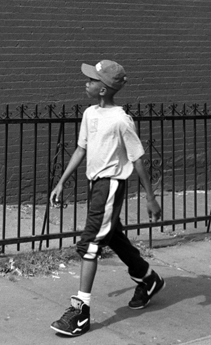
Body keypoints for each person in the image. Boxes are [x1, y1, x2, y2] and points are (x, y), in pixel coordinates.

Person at [50, 59, 163, 337]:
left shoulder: (121, 121)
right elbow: (80, 149)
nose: (85, 83)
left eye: (91, 80)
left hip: (111, 185)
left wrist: (150, 197)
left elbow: (137, 160)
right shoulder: (89, 114)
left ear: (103, 89)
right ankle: (147, 278)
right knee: (112, 235)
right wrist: (61, 182)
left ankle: (80, 312)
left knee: (90, 245)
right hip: (95, 185)